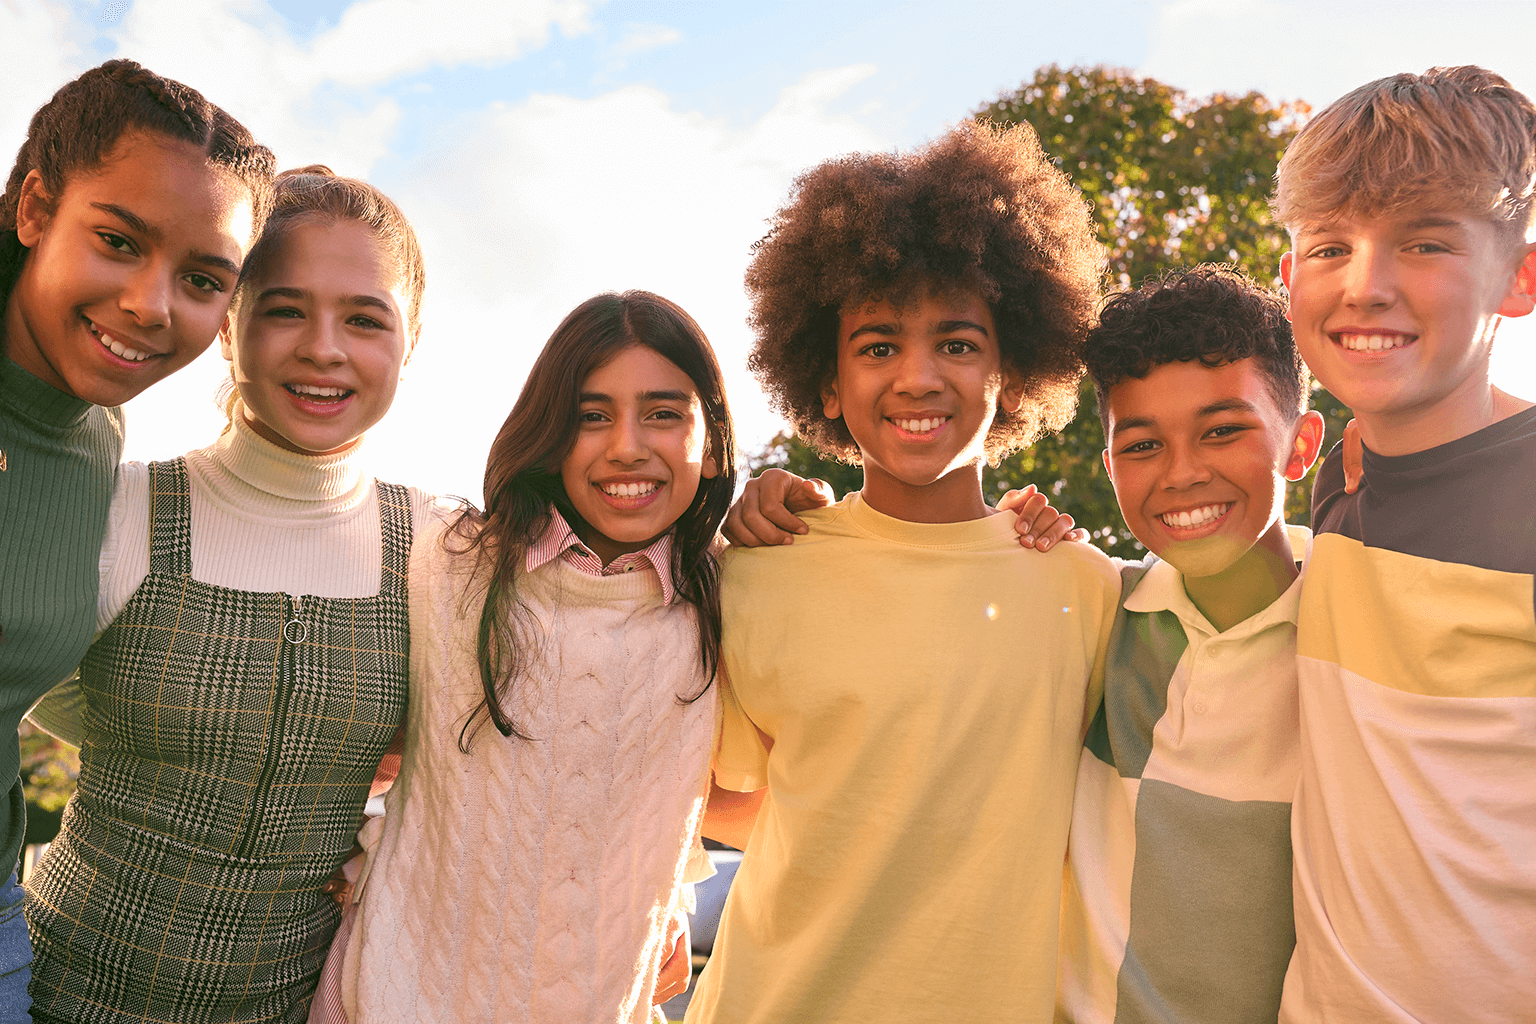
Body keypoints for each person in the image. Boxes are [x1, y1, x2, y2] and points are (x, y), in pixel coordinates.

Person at [687, 122, 1122, 1024]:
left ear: (1013, 368)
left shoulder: (1085, 586)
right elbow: (723, 805)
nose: (918, 377)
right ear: (829, 383)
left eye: (958, 344)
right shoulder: (760, 575)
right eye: (878, 346)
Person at [23, 166, 434, 1024]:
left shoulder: (439, 549)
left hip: (290, 1005)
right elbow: (39, 689)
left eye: (365, 318)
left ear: (412, 337)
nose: (324, 348)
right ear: (227, 327)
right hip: (58, 990)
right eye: (284, 309)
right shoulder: (123, 502)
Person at [332, 290, 735, 1023]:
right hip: (395, 992)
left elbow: (657, 796)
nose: (626, 446)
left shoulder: (726, 600)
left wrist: (669, 894)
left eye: (664, 413)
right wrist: (356, 845)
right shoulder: (447, 561)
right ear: (550, 434)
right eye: (591, 415)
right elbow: (366, 737)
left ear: (711, 446)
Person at [0, 58, 273, 1016]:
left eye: (203, 279)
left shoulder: (98, 437)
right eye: (118, 240)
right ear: (36, 208)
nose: (153, 305)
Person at [1272, 66, 1536, 1022]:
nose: (1367, 286)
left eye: (1424, 243)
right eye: (1330, 247)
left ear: (1519, 277)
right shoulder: (1335, 482)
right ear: (1290, 277)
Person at [1052, 265, 1323, 1024]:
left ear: (1300, 445)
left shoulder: (1356, 639)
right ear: (1108, 468)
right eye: (1141, 445)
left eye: (1223, 430)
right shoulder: (1093, 614)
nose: (1183, 473)